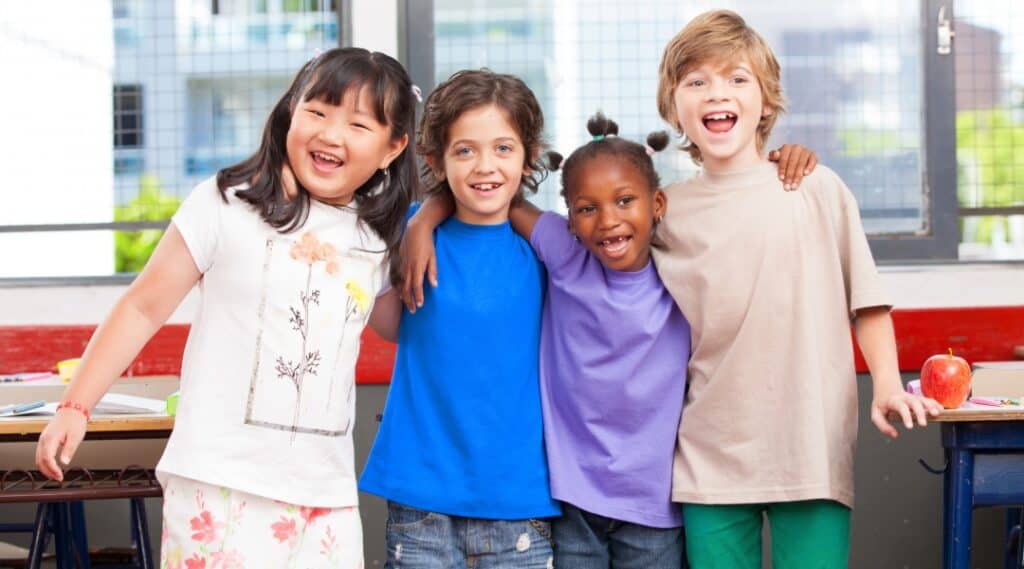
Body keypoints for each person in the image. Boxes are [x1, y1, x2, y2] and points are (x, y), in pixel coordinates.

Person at [35, 47, 418, 568]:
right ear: (291, 111)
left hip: (324, 500)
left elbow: (403, 327)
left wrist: (431, 219)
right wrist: (75, 406)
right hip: (217, 483)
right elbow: (143, 307)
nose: (331, 134)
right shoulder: (227, 202)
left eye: (357, 124)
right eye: (317, 112)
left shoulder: (376, 239)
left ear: (393, 148)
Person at [650, 11, 943, 568]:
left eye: (738, 78)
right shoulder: (663, 211)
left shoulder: (815, 187)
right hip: (707, 455)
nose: (718, 93)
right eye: (697, 81)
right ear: (672, 106)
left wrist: (886, 383)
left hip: (810, 449)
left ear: (766, 100)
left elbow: (868, 303)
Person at [358, 68, 559, 569]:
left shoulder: (547, 248)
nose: (485, 166)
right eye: (465, 150)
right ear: (436, 160)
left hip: (519, 498)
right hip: (421, 495)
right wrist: (420, 220)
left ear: (529, 157)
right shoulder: (410, 235)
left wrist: (427, 214)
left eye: (503, 148)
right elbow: (389, 325)